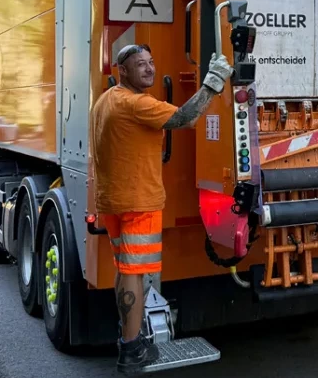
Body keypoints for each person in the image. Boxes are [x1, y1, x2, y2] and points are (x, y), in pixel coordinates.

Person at [90, 44, 233, 373]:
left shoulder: (106, 100)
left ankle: (131, 338)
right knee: (132, 273)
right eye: (139, 64)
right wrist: (213, 83)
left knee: (127, 271)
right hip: (139, 202)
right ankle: (130, 350)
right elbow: (186, 118)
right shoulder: (137, 103)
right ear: (122, 71)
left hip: (113, 201)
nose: (149, 69)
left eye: (151, 62)